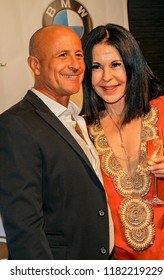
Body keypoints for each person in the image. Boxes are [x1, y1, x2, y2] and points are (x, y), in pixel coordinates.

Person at [0, 25, 113, 260]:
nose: (75, 64)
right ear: (35, 65)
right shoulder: (15, 125)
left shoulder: (77, 120)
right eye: (62, 55)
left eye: (79, 55)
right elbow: (24, 229)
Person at [82, 23, 164, 260]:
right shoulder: (82, 132)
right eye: (96, 67)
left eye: (115, 64)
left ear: (132, 65)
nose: (106, 77)